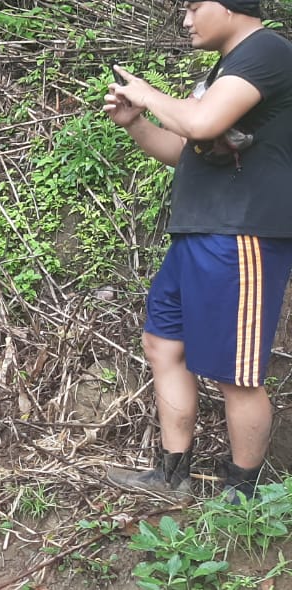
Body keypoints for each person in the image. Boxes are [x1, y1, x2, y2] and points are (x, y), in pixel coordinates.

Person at [103, 0, 292, 503]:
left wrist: (148, 91)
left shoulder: (267, 51)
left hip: (241, 234)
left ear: (229, 7)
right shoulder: (226, 70)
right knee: (162, 345)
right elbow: (184, 150)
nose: (185, 21)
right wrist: (136, 122)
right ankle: (172, 474)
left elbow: (202, 122)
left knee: (238, 372)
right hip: (195, 232)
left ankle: (243, 495)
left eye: (192, 8)